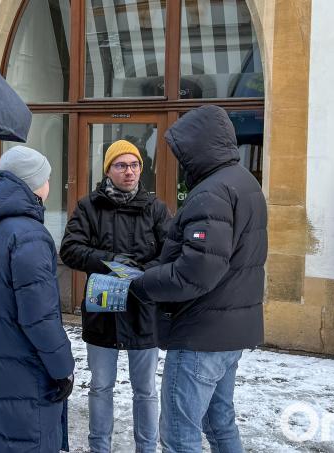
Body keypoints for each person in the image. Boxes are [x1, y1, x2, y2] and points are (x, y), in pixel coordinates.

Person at [130, 106, 268, 453]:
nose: (178, 160)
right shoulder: (244, 182)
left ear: (198, 147)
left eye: (181, 151)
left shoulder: (213, 191)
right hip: (229, 330)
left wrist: (144, 282)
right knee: (220, 422)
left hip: (200, 333)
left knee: (179, 434)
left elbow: (197, 272)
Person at [60, 139, 169, 453]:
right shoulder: (89, 206)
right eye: (121, 165)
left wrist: (142, 273)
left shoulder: (156, 208)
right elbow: (70, 249)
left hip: (143, 311)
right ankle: (99, 448)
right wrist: (113, 261)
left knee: (146, 390)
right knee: (100, 387)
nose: (129, 171)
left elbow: (170, 254)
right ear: (108, 170)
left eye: (134, 165)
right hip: (102, 310)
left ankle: (147, 448)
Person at [0, 146, 74, 452]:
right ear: (34, 182)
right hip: (27, 372)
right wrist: (62, 368)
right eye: (47, 177)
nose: (50, 183)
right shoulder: (29, 235)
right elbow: (39, 318)